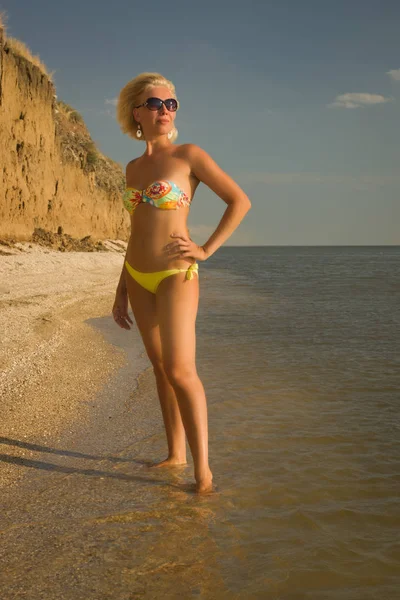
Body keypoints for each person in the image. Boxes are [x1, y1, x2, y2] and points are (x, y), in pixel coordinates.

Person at [112, 72, 251, 494]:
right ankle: (175, 454)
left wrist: (205, 250)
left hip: (176, 274)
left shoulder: (189, 155)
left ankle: (203, 474)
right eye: (156, 103)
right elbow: (135, 230)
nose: (165, 110)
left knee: (180, 369)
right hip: (137, 274)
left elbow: (239, 200)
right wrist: (120, 289)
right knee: (159, 368)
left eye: (171, 104)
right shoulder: (133, 167)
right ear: (137, 112)